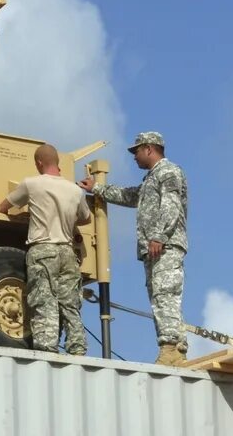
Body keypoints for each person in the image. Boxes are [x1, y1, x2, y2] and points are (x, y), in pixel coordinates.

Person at [78, 131, 189, 366]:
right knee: (160, 296)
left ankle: (171, 349)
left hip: (165, 246)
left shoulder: (168, 172)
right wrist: (97, 188)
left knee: (165, 294)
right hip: (156, 248)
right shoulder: (151, 179)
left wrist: (159, 236)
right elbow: (130, 196)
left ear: (149, 148)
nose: (134, 157)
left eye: (136, 151)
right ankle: (174, 349)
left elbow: (171, 206)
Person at [0, 144, 91, 355]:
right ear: (57, 162)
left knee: (44, 300)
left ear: (39, 163)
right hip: (67, 251)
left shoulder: (32, 184)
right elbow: (86, 218)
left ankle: (47, 349)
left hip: (43, 250)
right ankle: (77, 348)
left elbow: (3, 207)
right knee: (70, 303)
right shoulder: (75, 190)